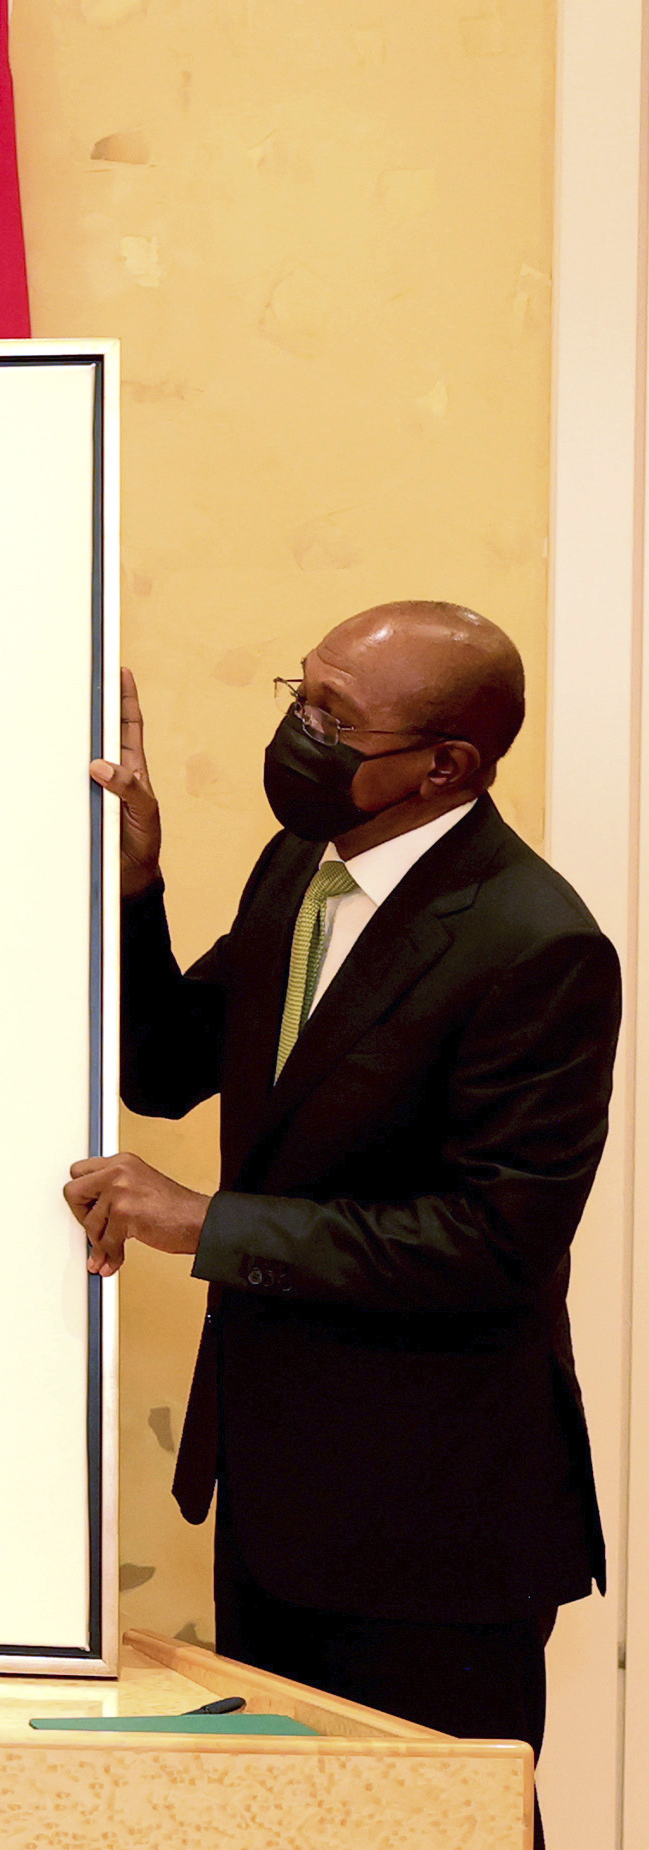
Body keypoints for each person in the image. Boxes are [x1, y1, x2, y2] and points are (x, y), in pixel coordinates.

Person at [70, 601, 614, 1765]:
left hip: (435, 1527)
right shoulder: (301, 870)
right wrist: (134, 886)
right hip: (276, 1502)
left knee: (441, 1832)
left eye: (334, 716)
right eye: (300, 696)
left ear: (445, 765)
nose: (298, 733)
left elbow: (490, 1242)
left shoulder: (537, 943)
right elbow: (166, 1066)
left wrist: (206, 1222)